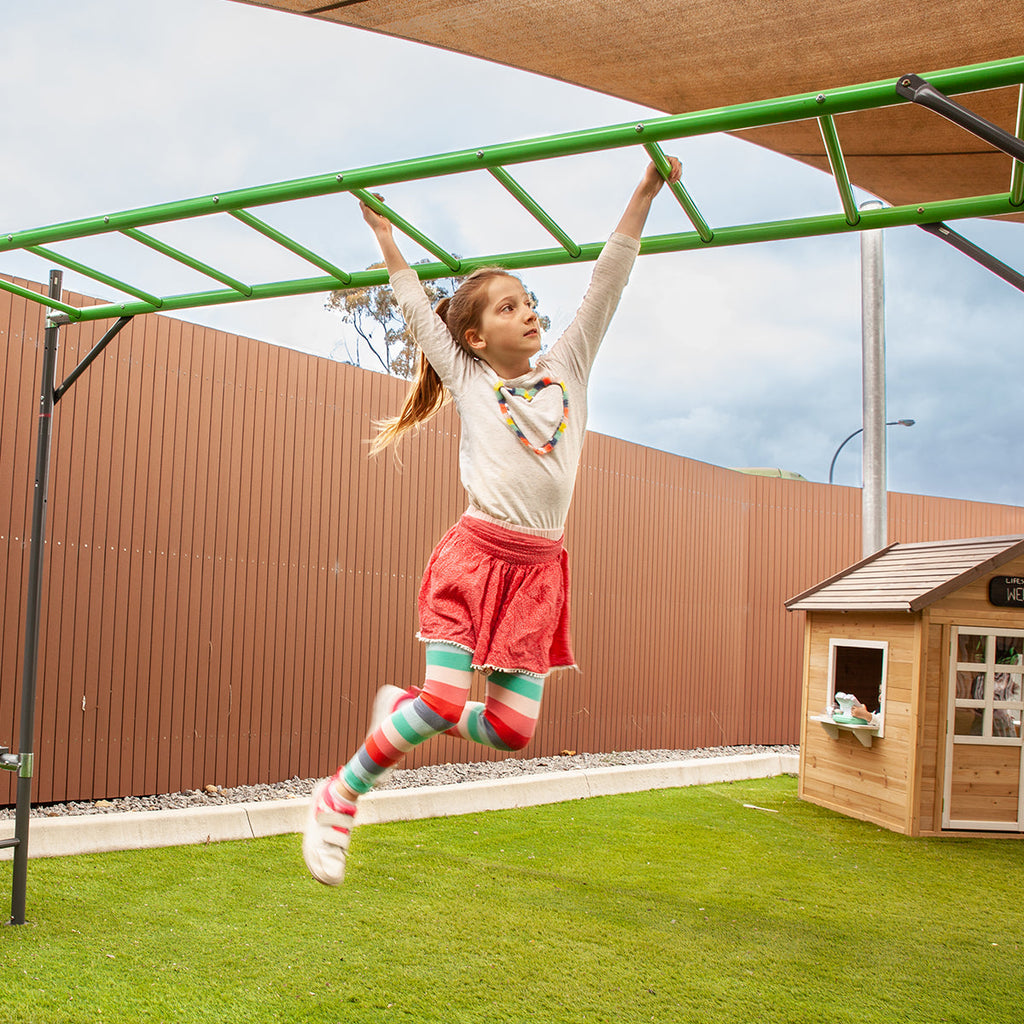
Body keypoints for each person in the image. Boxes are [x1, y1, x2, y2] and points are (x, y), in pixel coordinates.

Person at [303, 155, 682, 885]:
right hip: (475, 558)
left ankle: (404, 710)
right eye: (506, 307)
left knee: (512, 730)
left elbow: (609, 280)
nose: (527, 310)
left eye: (526, 299)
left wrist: (644, 191)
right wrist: (386, 238)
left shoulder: (569, 365)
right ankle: (339, 796)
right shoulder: (471, 381)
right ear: (475, 339)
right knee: (445, 700)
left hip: (540, 572)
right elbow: (416, 310)